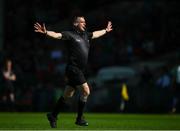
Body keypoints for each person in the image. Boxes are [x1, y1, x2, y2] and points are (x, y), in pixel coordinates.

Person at [34, 15, 113, 128]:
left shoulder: (86, 35)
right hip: (73, 68)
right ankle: (79, 119)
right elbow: (57, 35)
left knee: (68, 94)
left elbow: (96, 33)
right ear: (76, 24)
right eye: (82, 22)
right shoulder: (70, 34)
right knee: (86, 91)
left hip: (79, 70)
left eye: (85, 22)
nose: (84, 24)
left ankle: (53, 115)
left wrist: (105, 30)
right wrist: (46, 32)